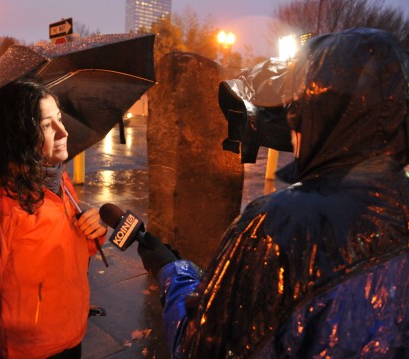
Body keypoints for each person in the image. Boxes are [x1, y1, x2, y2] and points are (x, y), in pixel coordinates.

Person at [138, 28, 409, 358]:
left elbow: (201, 347)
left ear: (313, 118)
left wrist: (173, 272)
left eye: (294, 111)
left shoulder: (277, 228)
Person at [0, 78, 107, 359]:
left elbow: (61, 252)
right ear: (16, 134)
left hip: (71, 338)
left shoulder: (58, 178)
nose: (62, 132)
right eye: (46, 125)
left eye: (59, 118)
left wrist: (92, 234)